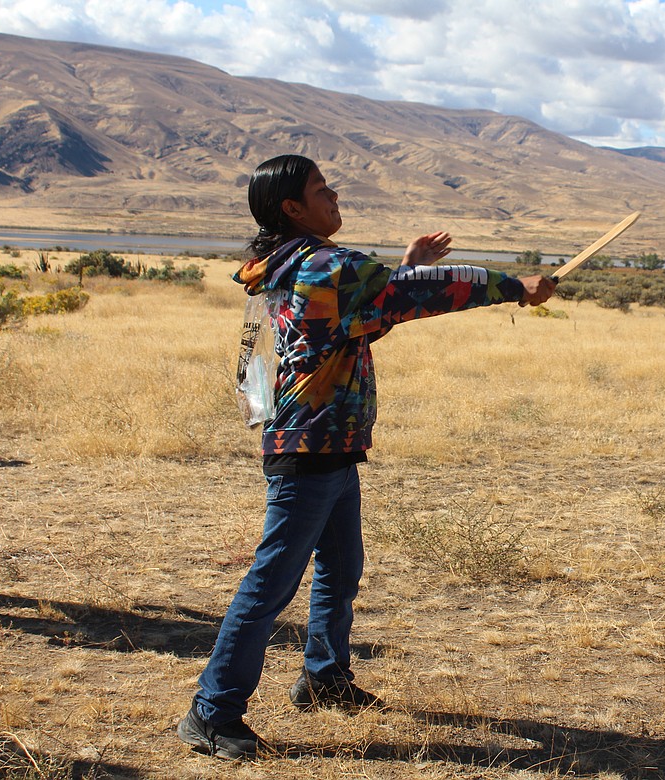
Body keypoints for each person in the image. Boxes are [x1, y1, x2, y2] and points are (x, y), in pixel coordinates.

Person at [178, 154, 556, 761]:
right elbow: (415, 299)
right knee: (269, 586)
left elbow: (361, 320)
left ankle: (325, 678)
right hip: (310, 447)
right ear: (292, 209)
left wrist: (401, 272)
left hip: (326, 444)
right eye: (321, 191)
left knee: (340, 568)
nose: (334, 197)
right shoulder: (326, 264)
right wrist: (513, 287)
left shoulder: (290, 265)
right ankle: (212, 710)